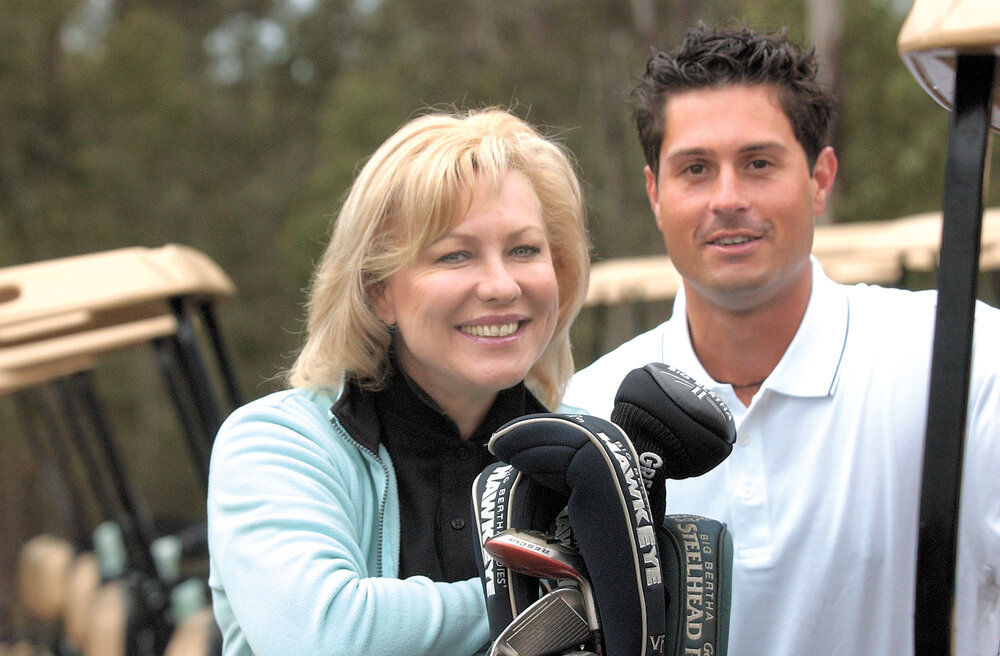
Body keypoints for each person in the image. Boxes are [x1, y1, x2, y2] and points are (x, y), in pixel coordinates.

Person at [563, 25, 1000, 655]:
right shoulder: (590, 414)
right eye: (695, 169)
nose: (727, 199)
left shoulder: (962, 359)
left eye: (759, 163)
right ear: (655, 194)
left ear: (821, 179)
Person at [206, 108, 590, 656]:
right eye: (455, 255)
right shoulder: (276, 444)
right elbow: (325, 637)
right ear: (378, 291)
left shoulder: (585, 456)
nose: (501, 285)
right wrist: (566, 594)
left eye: (524, 250)